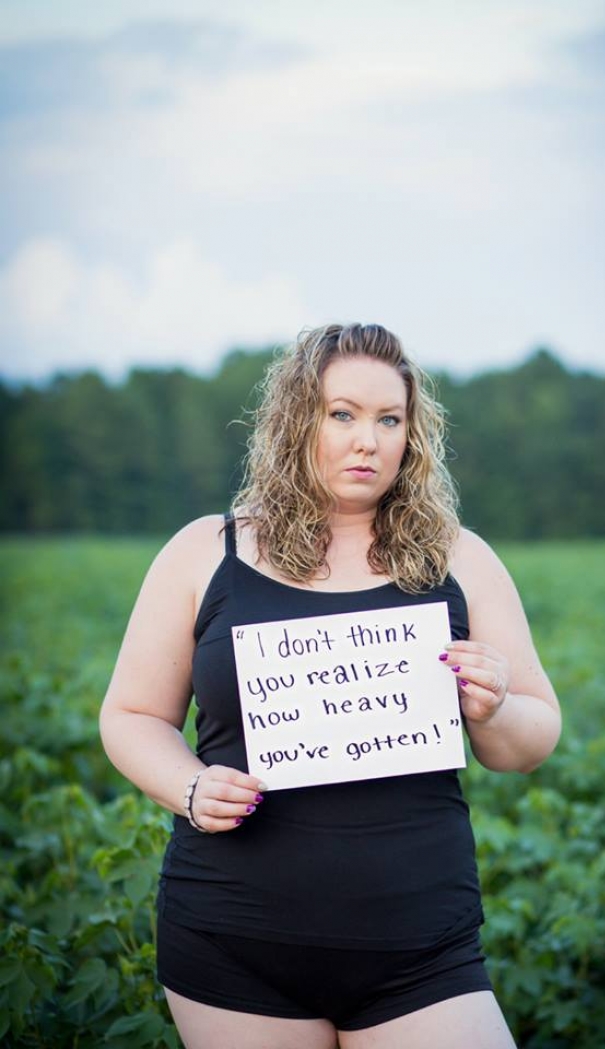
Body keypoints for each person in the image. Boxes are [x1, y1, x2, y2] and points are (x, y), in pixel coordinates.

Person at [100, 322, 561, 1049]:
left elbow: (532, 740)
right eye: (342, 414)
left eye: (389, 419)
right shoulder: (205, 551)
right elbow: (130, 715)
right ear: (295, 420)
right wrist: (188, 787)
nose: (367, 441)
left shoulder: (459, 558)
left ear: (413, 434)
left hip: (421, 947)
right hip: (233, 942)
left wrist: (494, 707)